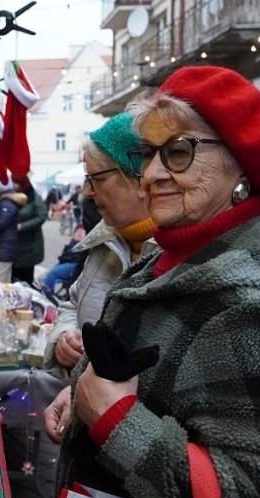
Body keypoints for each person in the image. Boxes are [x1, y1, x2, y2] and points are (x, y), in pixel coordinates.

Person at [43, 66, 260, 498]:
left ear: (240, 165)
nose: (152, 174)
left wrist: (117, 421)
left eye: (178, 152)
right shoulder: (172, 257)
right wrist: (85, 391)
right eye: (148, 154)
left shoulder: (253, 311)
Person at [42, 112, 153, 383]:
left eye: (97, 179)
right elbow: (73, 304)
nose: (87, 193)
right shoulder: (105, 241)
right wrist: (63, 338)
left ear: (138, 178)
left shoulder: (176, 254)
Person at [12, 176, 48, 284]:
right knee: (14, 277)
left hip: (31, 244)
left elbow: (42, 216)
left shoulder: (34, 198)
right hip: (16, 244)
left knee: (26, 278)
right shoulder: (14, 196)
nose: (14, 185)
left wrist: (23, 226)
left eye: (16, 183)